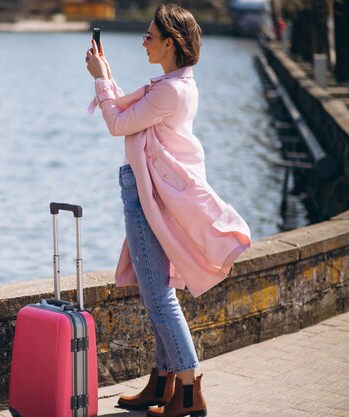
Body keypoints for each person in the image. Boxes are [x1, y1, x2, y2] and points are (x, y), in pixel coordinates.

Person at [85, 3, 251, 417]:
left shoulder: (171, 90)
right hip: (153, 194)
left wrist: (101, 83)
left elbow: (118, 124)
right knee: (160, 290)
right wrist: (107, 77)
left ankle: (189, 388)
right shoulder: (174, 85)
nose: (143, 42)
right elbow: (133, 113)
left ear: (170, 43)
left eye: (149, 36)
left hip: (148, 198)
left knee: (158, 295)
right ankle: (162, 382)